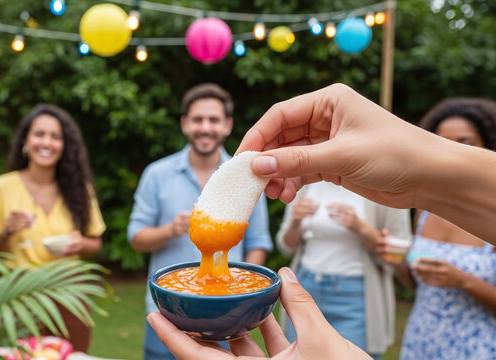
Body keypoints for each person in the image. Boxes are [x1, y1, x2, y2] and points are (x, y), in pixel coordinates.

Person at [147, 83, 496, 359]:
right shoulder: (306, 185)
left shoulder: (373, 186)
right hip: (309, 282)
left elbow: (397, 253)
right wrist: (296, 222)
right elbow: (286, 242)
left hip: (356, 294)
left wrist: (364, 229)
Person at [127, 83, 273, 360]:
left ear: (227, 125)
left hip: (227, 317)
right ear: (185, 124)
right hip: (168, 313)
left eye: (214, 120)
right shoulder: (156, 174)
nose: (205, 127)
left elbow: (259, 243)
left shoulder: (247, 181)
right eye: (198, 119)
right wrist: (170, 229)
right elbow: (135, 237)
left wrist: (246, 294)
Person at [0, 103, 106, 352]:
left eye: (55, 136)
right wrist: (6, 232)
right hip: (20, 294)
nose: (46, 142)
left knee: (72, 356)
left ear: (64, 146)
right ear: (26, 141)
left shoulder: (80, 189)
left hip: (70, 294)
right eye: (39, 134)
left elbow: (95, 242)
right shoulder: (1, 187)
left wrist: (80, 244)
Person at [396, 98, 496, 359]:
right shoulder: (426, 207)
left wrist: (462, 280)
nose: (451, 152)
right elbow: (419, 285)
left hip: (477, 347)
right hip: (422, 341)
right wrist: (397, 261)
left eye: (464, 142)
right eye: (441, 143)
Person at [277, 180, 410, 357]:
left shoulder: (387, 181)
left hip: (355, 298)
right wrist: (295, 222)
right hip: (305, 286)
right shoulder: (305, 180)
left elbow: (399, 254)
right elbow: (285, 247)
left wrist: (361, 227)